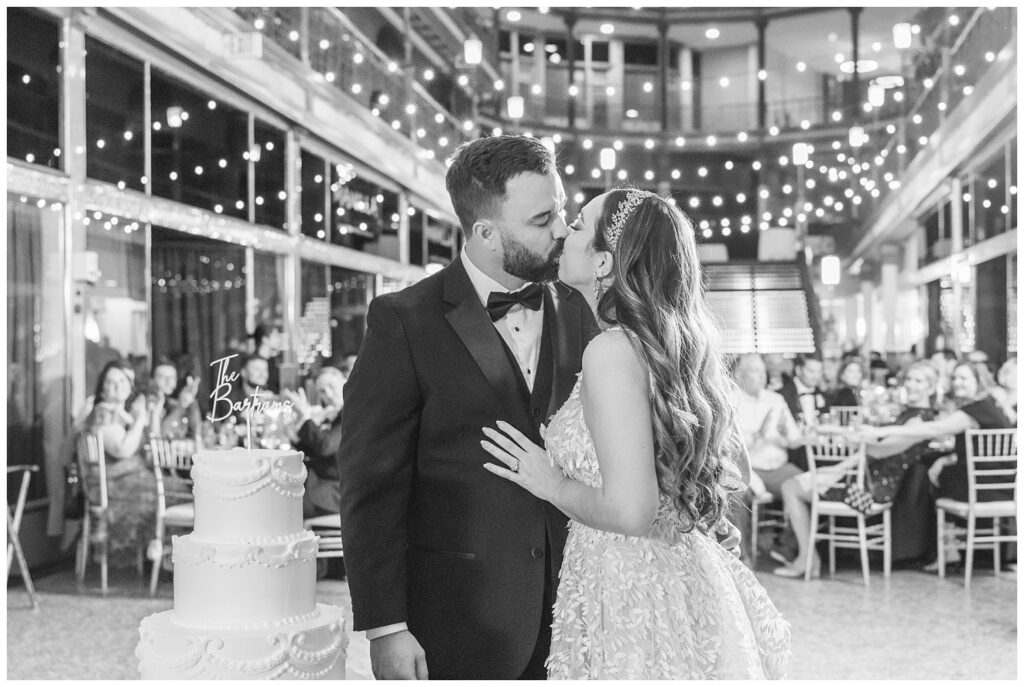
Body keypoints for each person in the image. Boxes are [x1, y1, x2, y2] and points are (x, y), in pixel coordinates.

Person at [480, 189, 790, 679]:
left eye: (578, 225)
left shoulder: (611, 352)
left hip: (630, 588)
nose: (563, 231)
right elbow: (736, 473)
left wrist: (550, 481)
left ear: (605, 261)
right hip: (679, 574)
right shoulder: (679, 345)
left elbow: (631, 511)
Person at [337, 135, 599, 680]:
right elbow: (370, 484)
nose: (561, 231)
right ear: (484, 232)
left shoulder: (582, 309)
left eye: (563, 212)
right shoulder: (404, 321)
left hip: (582, 609)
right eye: (542, 219)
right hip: (457, 616)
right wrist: (386, 626)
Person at [775, 362, 940, 578]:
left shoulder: (919, 420)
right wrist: (840, 454)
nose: (911, 384)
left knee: (791, 487)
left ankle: (806, 560)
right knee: (794, 484)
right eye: (909, 379)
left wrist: (840, 464)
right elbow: (872, 446)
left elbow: (881, 451)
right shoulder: (910, 414)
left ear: (930, 387)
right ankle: (806, 557)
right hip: (865, 480)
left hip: (870, 490)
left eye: (918, 381)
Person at [861, 360, 1015, 570]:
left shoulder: (975, 409)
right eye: (954, 378)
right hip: (1002, 485)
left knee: (929, 478)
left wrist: (882, 431)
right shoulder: (988, 405)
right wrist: (945, 459)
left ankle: (942, 550)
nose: (957, 382)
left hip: (985, 487)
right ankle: (948, 549)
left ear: (978, 381)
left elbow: (934, 430)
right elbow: (977, 450)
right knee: (940, 473)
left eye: (963, 378)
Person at [76, 360, 157, 567]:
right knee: (173, 494)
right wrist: (139, 420)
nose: (117, 386)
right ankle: (162, 555)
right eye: (111, 382)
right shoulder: (104, 412)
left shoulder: (122, 413)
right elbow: (122, 449)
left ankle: (162, 555)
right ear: (102, 390)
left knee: (175, 489)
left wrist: (148, 415)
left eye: (122, 381)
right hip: (114, 488)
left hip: (127, 481)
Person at [728, 353, 804, 563]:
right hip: (749, 469)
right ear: (739, 375)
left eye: (763, 371)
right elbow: (730, 444)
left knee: (810, 486)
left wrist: (783, 437)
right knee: (734, 497)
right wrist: (756, 436)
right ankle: (741, 558)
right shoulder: (731, 400)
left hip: (780, 468)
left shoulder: (776, 400)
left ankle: (786, 548)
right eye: (755, 371)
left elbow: (796, 438)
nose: (762, 377)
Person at [283, 366, 346, 518]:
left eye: (331, 387)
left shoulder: (353, 411)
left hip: (335, 493)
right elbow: (316, 449)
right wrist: (297, 436)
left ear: (346, 382)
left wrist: (305, 415)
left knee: (285, 506)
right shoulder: (336, 413)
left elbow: (326, 446)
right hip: (323, 485)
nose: (329, 395)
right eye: (323, 391)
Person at [779, 354, 829, 471]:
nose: (815, 376)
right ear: (798, 370)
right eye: (811, 371)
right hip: (794, 452)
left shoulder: (822, 394)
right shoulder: (783, 395)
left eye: (819, 372)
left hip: (819, 449)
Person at [147, 357, 201, 446]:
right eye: (162, 377)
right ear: (152, 380)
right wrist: (182, 406)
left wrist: (191, 402)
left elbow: (197, 435)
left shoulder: (173, 403)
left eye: (172, 377)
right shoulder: (148, 404)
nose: (168, 381)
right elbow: (161, 439)